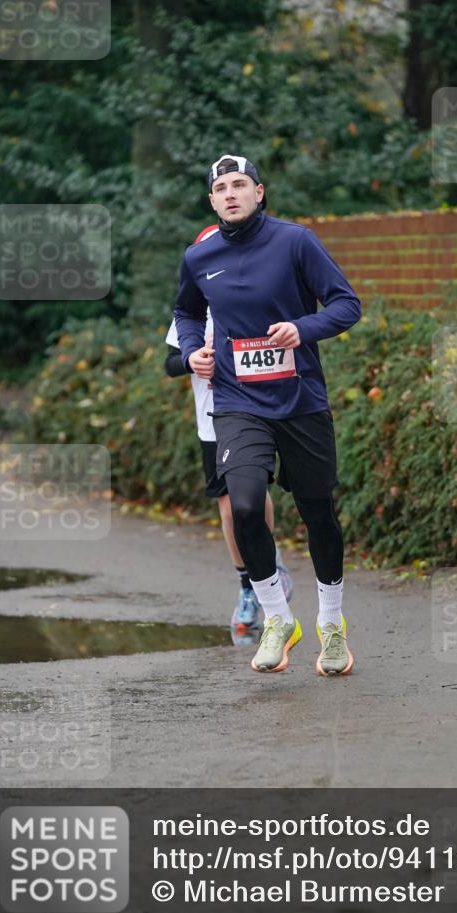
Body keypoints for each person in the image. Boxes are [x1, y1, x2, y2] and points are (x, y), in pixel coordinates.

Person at [173, 155, 361, 676]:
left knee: (317, 510)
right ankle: (278, 618)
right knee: (247, 506)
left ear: (259, 192)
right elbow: (185, 312)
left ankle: (331, 623)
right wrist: (192, 352)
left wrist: (303, 328)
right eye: (221, 188)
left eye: (240, 185)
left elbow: (347, 304)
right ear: (212, 201)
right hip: (237, 402)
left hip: (300, 400)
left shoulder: (295, 241)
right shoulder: (199, 256)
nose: (230, 194)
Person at [165, 224, 292, 646]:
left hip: (255, 412)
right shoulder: (191, 309)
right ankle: (248, 586)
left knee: (251, 495)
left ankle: (269, 566)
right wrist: (190, 359)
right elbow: (170, 361)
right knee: (228, 507)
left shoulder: (252, 297)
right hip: (210, 419)